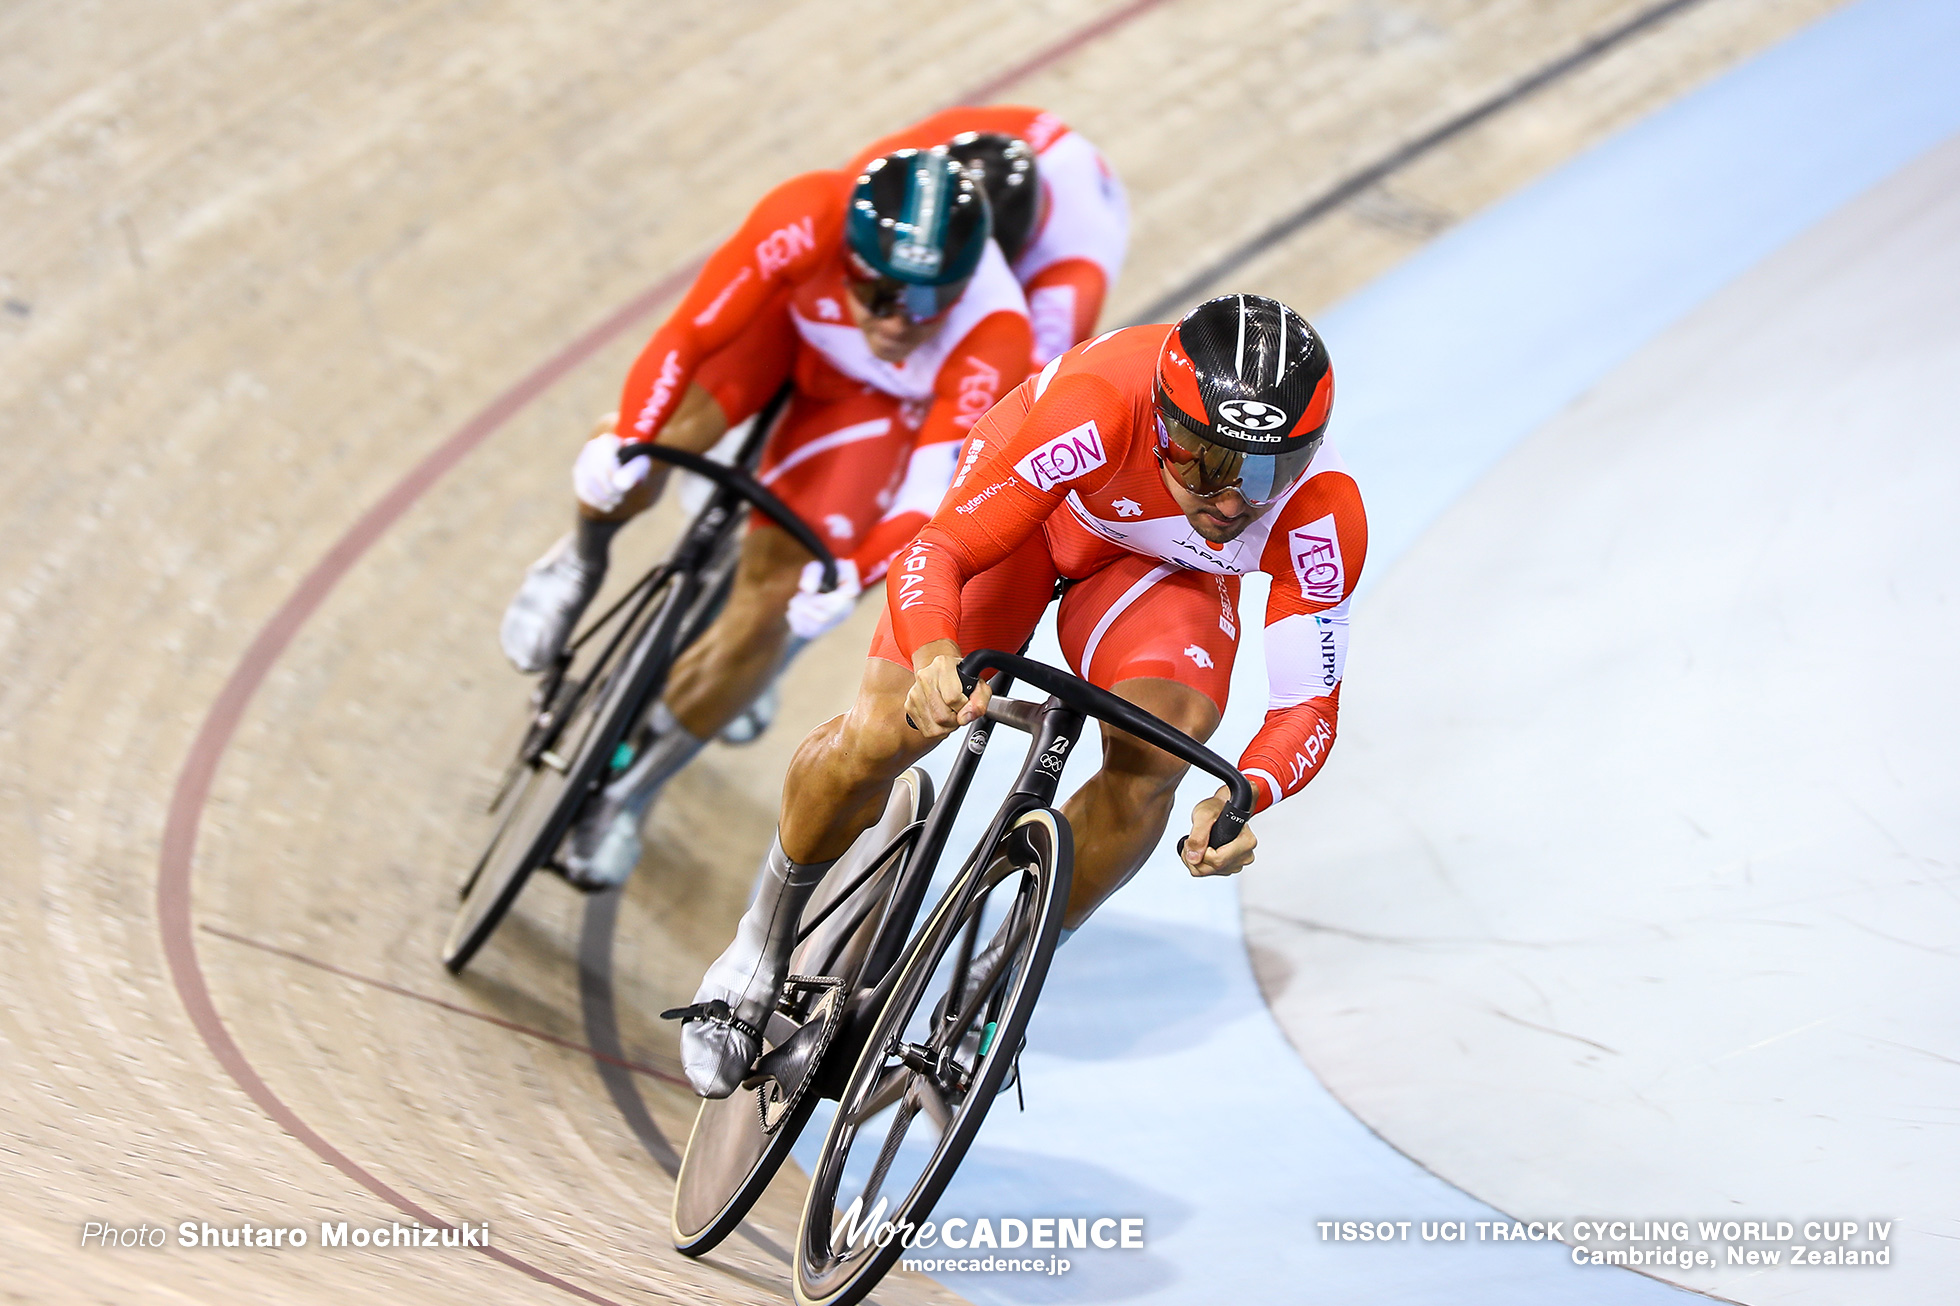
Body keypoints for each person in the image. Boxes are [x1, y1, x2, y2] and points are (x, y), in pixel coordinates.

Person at [676, 293, 1367, 1097]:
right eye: (1207, 462)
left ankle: (1000, 978)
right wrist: (935, 656)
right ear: (1163, 423)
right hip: (1038, 517)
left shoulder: (1319, 514)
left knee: (1156, 755)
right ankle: (757, 948)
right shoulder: (1100, 408)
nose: (1232, 500)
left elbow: (1307, 706)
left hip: (1161, 574)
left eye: (1267, 471)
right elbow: (936, 552)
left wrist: (1248, 794)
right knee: (883, 733)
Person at [498, 148, 1033, 889]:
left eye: (928, 301)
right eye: (879, 293)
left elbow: (925, 495)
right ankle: (580, 557)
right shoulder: (807, 215)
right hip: (785, 339)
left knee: (777, 601)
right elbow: (691, 335)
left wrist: (854, 572)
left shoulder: (995, 333)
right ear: (845, 255)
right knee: (651, 442)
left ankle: (626, 794)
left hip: (873, 408)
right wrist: (630, 436)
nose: (900, 321)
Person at [762, 106, 1132, 709]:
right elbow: (846, 226)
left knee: (954, 475)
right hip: (983, 155)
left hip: (1058, 228)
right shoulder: (925, 169)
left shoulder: (1067, 277)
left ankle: (782, 658)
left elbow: (1013, 407)